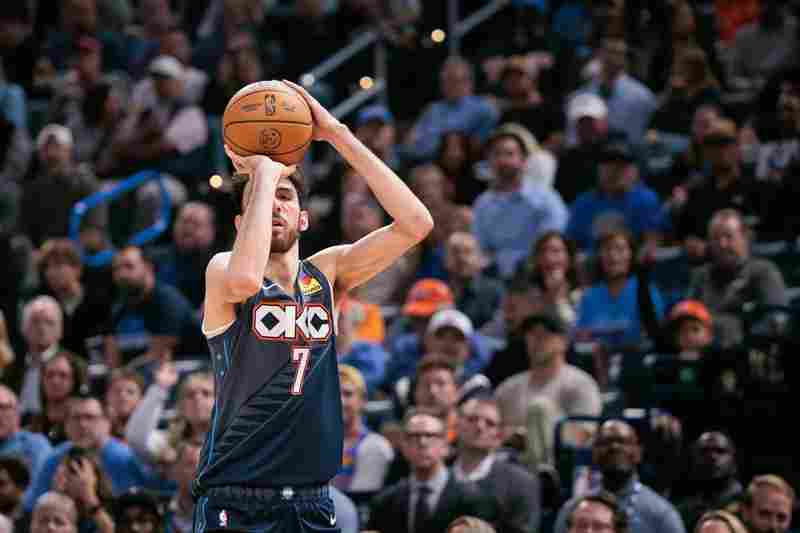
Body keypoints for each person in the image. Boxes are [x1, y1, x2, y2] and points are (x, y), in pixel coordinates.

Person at [194, 80, 433, 533]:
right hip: (237, 497)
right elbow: (247, 280)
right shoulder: (223, 269)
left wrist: (337, 134)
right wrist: (266, 174)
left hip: (313, 500)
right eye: (263, 201)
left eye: (286, 197)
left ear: (304, 218)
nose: (275, 205)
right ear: (242, 223)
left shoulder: (328, 273)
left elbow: (416, 222)